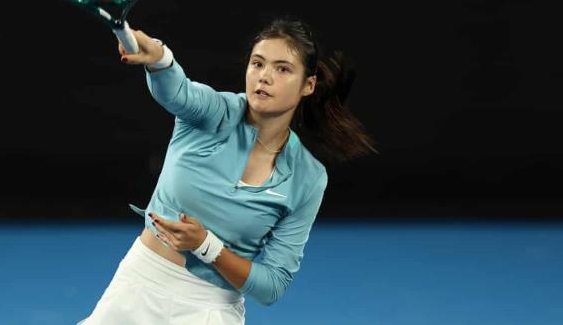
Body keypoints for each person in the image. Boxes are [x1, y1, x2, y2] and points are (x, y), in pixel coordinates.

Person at [78, 18, 376, 324]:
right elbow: (177, 91)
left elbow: (272, 285)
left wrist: (206, 246)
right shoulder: (213, 112)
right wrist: (160, 60)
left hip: (210, 310)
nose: (264, 77)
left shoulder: (308, 178)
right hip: (139, 287)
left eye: (282, 69)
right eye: (257, 64)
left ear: (308, 85)